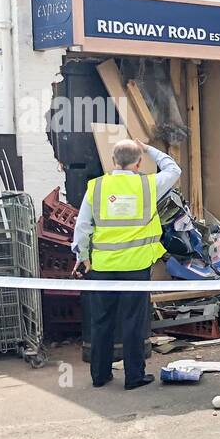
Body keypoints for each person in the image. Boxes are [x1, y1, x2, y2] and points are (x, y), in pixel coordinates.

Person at [71, 139, 181, 390]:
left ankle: (100, 376)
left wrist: (82, 256)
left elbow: (83, 226)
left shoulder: (97, 187)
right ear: (139, 162)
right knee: (133, 322)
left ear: (112, 161)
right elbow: (174, 169)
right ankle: (134, 377)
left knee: (101, 321)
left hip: (101, 267)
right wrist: (148, 148)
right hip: (136, 267)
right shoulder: (148, 185)